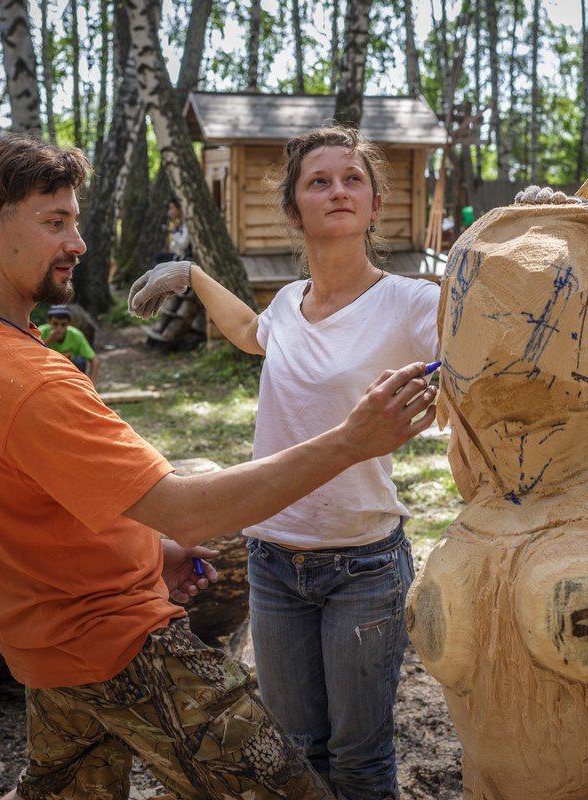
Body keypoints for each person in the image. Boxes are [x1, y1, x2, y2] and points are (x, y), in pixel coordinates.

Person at [0, 133, 437, 800]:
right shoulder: (31, 379)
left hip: (46, 652)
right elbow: (191, 507)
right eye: (56, 224)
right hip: (124, 647)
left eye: (74, 222)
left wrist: (144, 546)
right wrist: (351, 440)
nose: (77, 243)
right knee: (293, 787)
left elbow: (35, 497)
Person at [129, 124, 441, 800]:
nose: (338, 190)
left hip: (363, 565)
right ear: (294, 210)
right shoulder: (288, 303)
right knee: (296, 753)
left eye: (352, 178)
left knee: (359, 761)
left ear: (376, 205)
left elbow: (489, 340)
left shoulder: (412, 303)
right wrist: (192, 274)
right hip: (272, 562)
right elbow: (249, 333)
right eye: (319, 181)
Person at [39, 305, 99, 384]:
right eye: (55, 324)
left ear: (68, 323)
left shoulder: (76, 335)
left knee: (80, 361)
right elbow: (34, 355)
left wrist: (92, 384)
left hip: (69, 371)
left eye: (63, 324)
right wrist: (49, 340)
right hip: (49, 370)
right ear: (49, 321)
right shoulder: (40, 332)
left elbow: (94, 361)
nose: (59, 328)